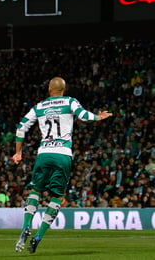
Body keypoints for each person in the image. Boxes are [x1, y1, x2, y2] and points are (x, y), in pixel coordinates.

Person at [12, 77, 112, 253]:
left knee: (35, 190)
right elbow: (83, 115)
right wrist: (98, 117)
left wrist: (18, 152)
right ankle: (38, 237)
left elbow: (21, 127)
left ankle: (26, 226)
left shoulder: (40, 106)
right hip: (63, 154)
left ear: (49, 89)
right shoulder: (70, 101)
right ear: (63, 90)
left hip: (44, 154)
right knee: (57, 196)